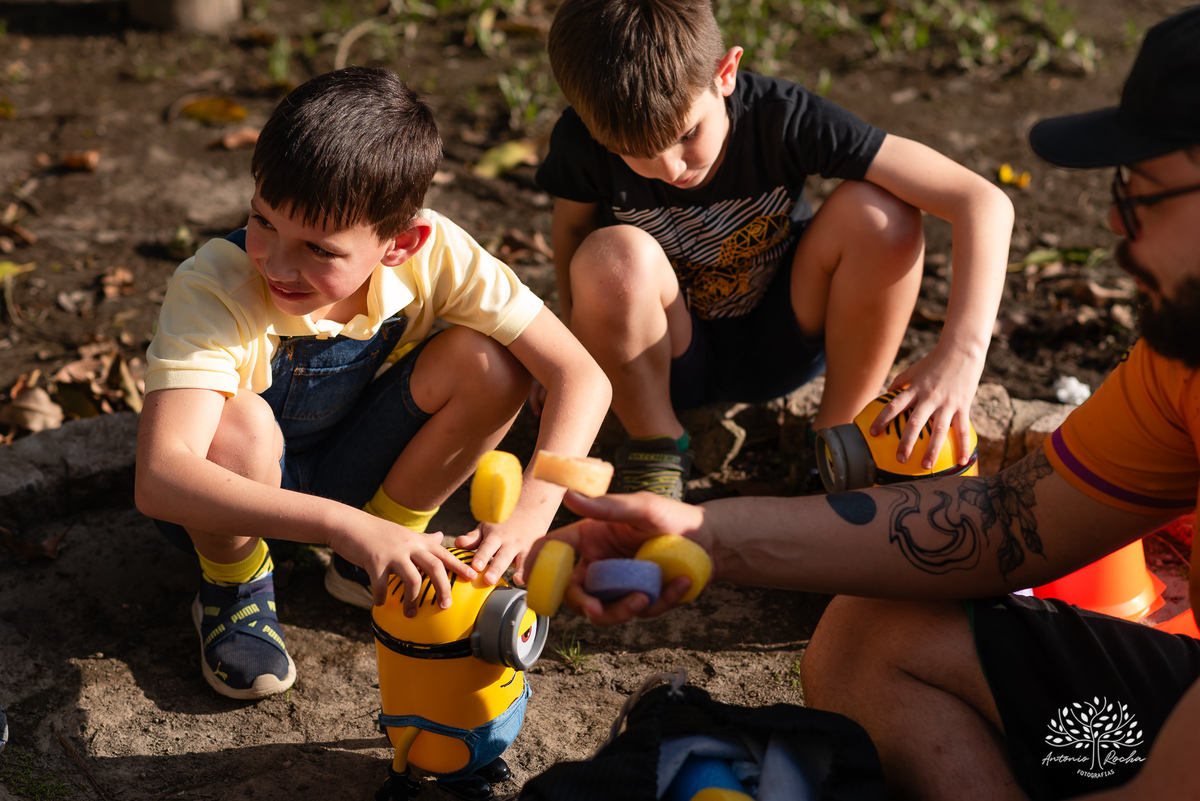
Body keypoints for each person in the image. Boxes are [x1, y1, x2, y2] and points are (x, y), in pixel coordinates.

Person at [535, 7, 1200, 798]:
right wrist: (705, 533)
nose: (1119, 231)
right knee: (863, 629)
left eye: (1144, 195)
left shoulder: (781, 118)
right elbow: (1008, 526)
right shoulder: (1175, 364)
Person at [134, 67, 611, 701]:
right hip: (222, 498)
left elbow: (583, 377)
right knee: (238, 424)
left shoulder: (440, 256)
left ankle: (373, 558)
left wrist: (532, 516)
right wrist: (338, 524)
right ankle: (235, 585)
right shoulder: (216, 287)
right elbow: (161, 475)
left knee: (492, 363)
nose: (277, 262)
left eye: (319, 250)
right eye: (263, 220)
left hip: (343, 471)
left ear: (400, 244)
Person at [532, 0, 1014, 499]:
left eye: (688, 134)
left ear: (726, 73)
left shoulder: (781, 117)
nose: (672, 169)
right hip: (661, 357)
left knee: (882, 215)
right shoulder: (583, 140)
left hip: (783, 340)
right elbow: (571, 233)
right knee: (610, 256)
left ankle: (837, 436)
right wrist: (571, 357)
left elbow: (982, 200)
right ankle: (656, 444)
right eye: (636, 154)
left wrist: (962, 354)